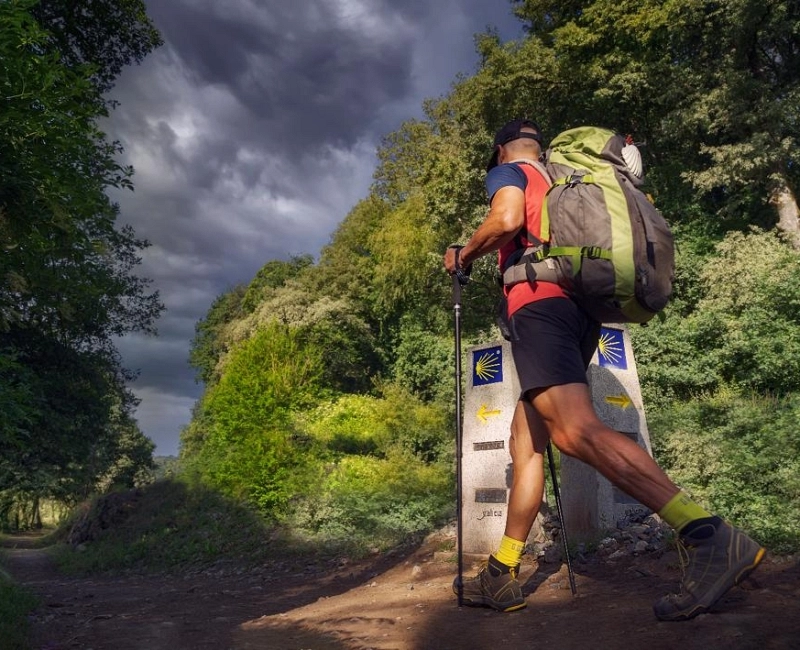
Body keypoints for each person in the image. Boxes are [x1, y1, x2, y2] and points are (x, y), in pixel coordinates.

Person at [442, 118, 766, 621]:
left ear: (501, 149)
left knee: (574, 432)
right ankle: (501, 572)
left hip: (539, 305)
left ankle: (708, 535)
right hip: (579, 311)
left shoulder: (513, 172)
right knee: (526, 445)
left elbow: (505, 221)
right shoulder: (564, 179)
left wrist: (463, 253)